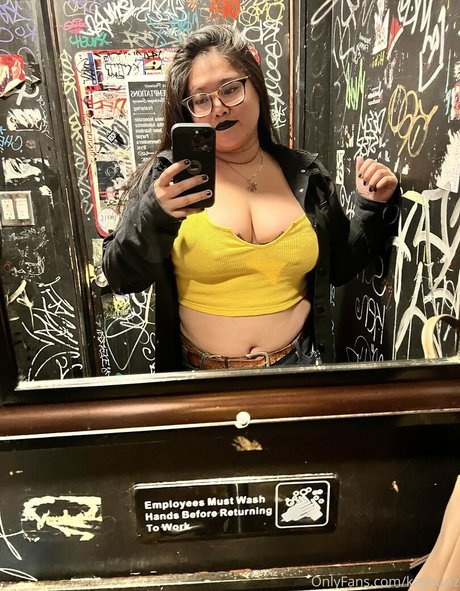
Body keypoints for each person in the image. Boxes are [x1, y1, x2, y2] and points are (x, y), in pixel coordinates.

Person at [102, 24, 400, 372]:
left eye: (230, 89)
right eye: (201, 99)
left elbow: (340, 267)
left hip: (295, 368)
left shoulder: (305, 175)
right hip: (200, 376)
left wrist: (370, 205)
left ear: (256, 88)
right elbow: (121, 277)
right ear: (189, 111)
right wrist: (156, 214)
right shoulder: (169, 178)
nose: (218, 108)